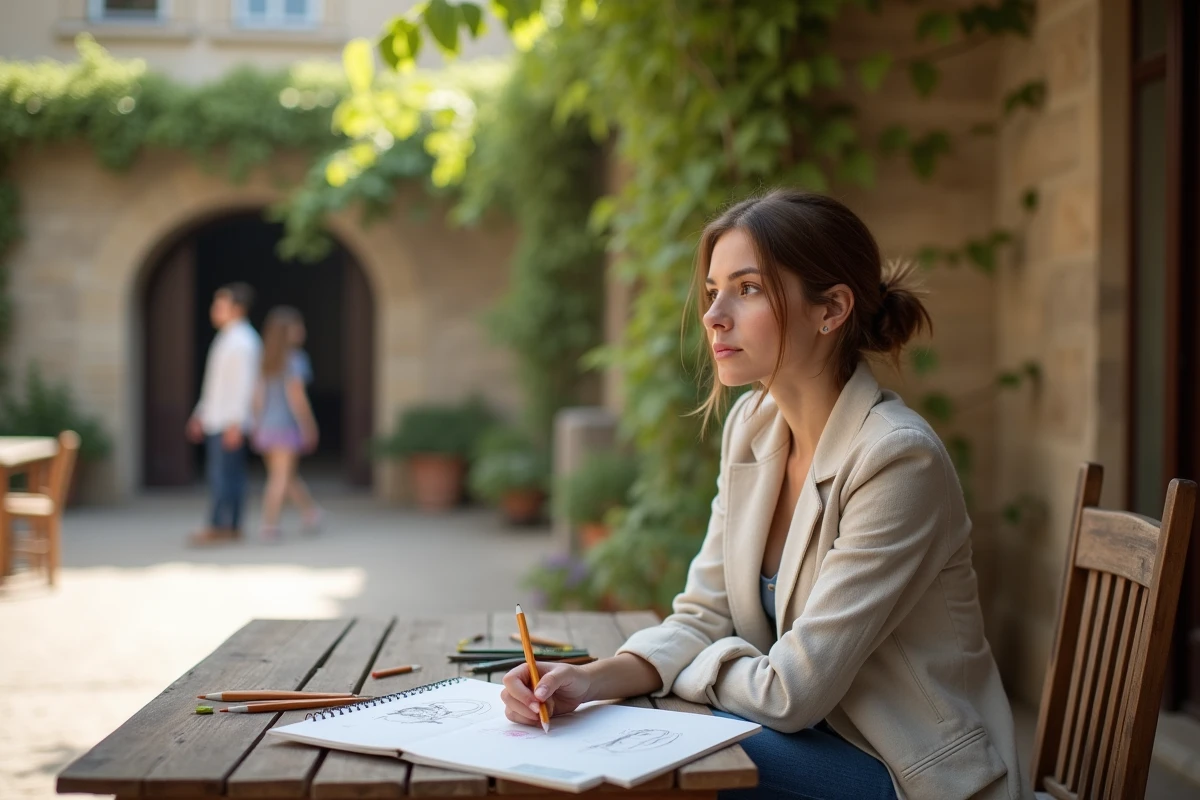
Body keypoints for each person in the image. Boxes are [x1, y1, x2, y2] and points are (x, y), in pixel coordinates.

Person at [500, 190, 1030, 800]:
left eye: (747, 289)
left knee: (647, 756)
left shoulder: (897, 458)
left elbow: (789, 692)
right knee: (613, 729)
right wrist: (592, 681)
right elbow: (705, 613)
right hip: (808, 740)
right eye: (712, 291)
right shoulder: (752, 426)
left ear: (830, 309)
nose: (714, 315)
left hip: (910, 771)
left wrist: (676, 676)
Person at [186, 283, 262, 546]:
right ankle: (228, 524)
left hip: (228, 421)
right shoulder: (228, 337)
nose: (215, 310)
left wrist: (235, 422)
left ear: (237, 309)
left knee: (225, 474)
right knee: (226, 473)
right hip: (217, 418)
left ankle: (223, 524)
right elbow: (215, 385)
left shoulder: (243, 341)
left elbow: (244, 387)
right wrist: (201, 413)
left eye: (221, 305)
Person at [251, 305, 321, 540]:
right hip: (285, 425)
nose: (301, 330)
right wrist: (309, 426)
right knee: (280, 478)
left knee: (286, 475)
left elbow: (258, 397)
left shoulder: (265, 360)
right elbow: (297, 398)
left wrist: (257, 423)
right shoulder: (296, 360)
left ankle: (310, 512)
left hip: (266, 426)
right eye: (296, 326)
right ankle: (269, 524)